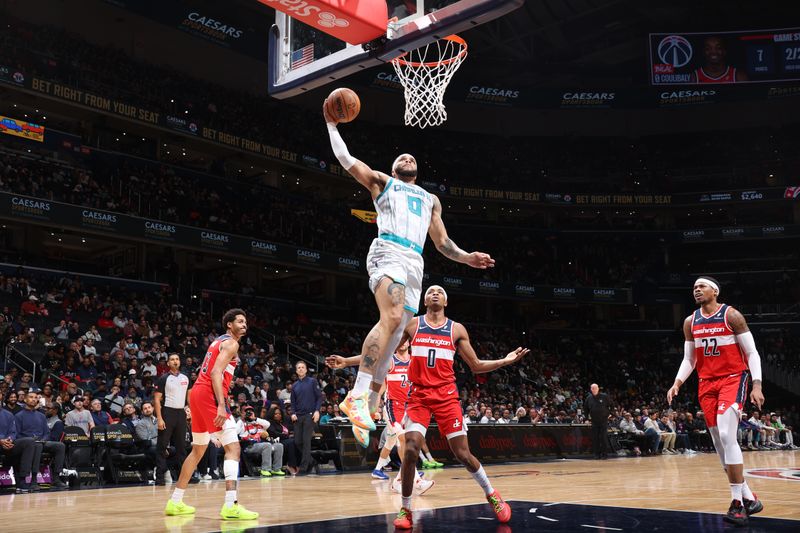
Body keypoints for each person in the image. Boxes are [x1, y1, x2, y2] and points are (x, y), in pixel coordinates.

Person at [324, 103, 494, 447]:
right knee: (391, 315)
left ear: (417, 169)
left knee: (400, 330)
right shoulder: (383, 182)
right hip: (388, 250)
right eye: (400, 157)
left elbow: (443, 243)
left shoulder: (431, 199)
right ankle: (356, 395)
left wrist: (467, 258)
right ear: (393, 167)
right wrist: (332, 125)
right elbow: (346, 160)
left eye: (410, 157)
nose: (406, 158)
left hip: (415, 262)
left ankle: (369, 403)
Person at [392, 285, 529, 529]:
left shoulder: (456, 329)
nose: (434, 292)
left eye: (439, 291)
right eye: (430, 291)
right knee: (411, 449)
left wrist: (504, 361)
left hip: (446, 396)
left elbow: (475, 365)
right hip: (419, 396)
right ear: (425, 300)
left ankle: (492, 495)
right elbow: (385, 355)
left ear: (445, 301)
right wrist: (350, 362)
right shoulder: (412, 325)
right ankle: (406, 509)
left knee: (463, 455)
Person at [667, 276, 764, 526]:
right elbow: (690, 359)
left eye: (702, 287)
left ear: (715, 291)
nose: (697, 290)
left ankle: (737, 504)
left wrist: (757, 384)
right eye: (694, 288)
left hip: (733, 378)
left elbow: (752, 352)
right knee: (719, 443)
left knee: (725, 434)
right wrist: (677, 382)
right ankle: (749, 497)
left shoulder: (731, 316)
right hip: (706, 383)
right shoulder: (691, 322)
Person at [165, 308, 258, 521]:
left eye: (246, 322)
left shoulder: (217, 341)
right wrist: (221, 405)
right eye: (240, 321)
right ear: (229, 324)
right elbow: (216, 373)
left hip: (197, 393)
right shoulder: (232, 343)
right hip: (209, 395)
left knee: (198, 450)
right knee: (233, 448)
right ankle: (231, 505)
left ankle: (175, 501)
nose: (244, 325)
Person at [326, 339, 433, 493]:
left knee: (406, 442)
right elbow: (371, 358)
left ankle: (398, 480)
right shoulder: (391, 360)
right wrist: (347, 362)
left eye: (405, 340)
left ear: (409, 343)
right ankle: (416, 479)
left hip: (410, 407)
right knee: (402, 440)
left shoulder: (415, 360)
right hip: (393, 407)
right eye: (400, 340)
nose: (403, 343)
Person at [14, 390, 67, 489]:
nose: (34, 399)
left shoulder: (41, 416)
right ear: (25, 399)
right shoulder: (19, 416)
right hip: (27, 444)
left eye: (35, 397)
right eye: (31, 397)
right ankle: (34, 480)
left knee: (60, 446)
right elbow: (17, 434)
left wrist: (43, 439)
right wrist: (30, 440)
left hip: (42, 441)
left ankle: (56, 478)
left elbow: (47, 432)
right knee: (36, 445)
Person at [153, 353, 190, 486]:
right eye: (172, 359)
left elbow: (189, 397)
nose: (175, 361)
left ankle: (184, 476)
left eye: (177, 359)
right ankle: (159, 478)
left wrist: (190, 410)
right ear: (168, 363)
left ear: (179, 362)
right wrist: (159, 418)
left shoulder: (185, 377)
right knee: (162, 446)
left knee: (182, 446)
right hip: (167, 412)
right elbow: (157, 400)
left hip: (181, 413)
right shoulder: (163, 378)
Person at [290, 361, 321, 476]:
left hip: (310, 415)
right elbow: (292, 403)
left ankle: (303, 468)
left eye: (303, 367)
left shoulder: (312, 382)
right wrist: (293, 413)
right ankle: (312, 461)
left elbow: (319, 397)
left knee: (306, 441)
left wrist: (317, 411)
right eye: (299, 368)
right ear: (296, 370)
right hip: (298, 416)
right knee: (298, 442)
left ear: (306, 370)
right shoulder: (294, 386)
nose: (301, 369)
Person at [238, 405, 284, 477]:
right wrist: (242, 420)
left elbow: (268, 424)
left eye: (251, 412)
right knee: (267, 445)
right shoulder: (241, 422)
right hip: (250, 446)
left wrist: (254, 418)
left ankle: (276, 469)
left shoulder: (258, 421)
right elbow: (235, 432)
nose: (248, 413)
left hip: (262, 444)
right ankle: (265, 469)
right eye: (246, 412)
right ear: (242, 413)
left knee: (279, 446)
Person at [0, 402, 36, 493]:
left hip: (7, 444)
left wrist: (9, 440)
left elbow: (13, 432)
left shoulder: (8, 414)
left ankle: (22, 480)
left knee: (29, 442)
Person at [585, 383, 611, 459]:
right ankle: (596, 454)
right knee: (595, 438)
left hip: (603, 420)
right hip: (594, 421)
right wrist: (586, 419)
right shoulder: (588, 398)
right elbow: (586, 409)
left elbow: (611, 405)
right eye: (592, 388)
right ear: (591, 389)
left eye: (595, 388)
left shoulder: (604, 396)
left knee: (603, 437)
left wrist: (610, 414)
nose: (594, 389)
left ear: (598, 389)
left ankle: (604, 454)